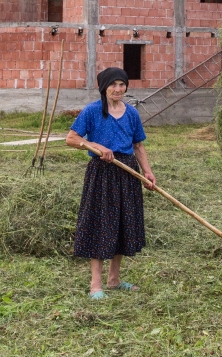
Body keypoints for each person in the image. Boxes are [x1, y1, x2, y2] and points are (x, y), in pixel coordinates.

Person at [66, 67, 156, 299]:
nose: (118, 89)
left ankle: (114, 280)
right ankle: (96, 285)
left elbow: (138, 145)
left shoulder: (132, 113)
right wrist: (97, 147)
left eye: (122, 84)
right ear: (104, 88)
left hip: (127, 172)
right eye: (113, 85)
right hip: (102, 174)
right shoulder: (93, 111)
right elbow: (72, 138)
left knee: (123, 224)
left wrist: (147, 172)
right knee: (100, 225)